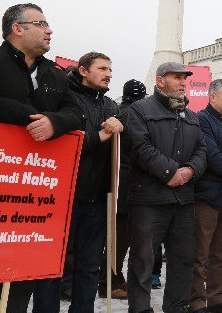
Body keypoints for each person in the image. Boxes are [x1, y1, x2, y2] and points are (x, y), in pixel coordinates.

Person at [0, 4, 82, 313]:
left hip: (30, 197)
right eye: (41, 23)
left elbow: (76, 112)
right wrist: (29, 118)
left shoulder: (54, 72)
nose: (49, 30)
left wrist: (55, 123)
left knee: (17, 278)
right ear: (18, 29)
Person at [37, 52, 124, 313]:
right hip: (63, 198)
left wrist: (120, 129)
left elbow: (120, 151)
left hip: (97, 199)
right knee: (53, 265)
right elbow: (60, 144)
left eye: (110, 68)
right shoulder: (66, 99)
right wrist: (101, 135)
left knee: (89, 266)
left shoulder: (111, 104)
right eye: (102, 68)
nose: (109, 73)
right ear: (84, 71)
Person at [127, 62, 207, 313]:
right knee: (143, 261)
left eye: (185, 78)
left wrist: (190, 171)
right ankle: (140, 309)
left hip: (183, 200)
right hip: (150, 200)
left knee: (183, 260)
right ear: (160, 81)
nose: (183, 82)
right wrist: (170, 172)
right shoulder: (140, 109)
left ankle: (177, 307)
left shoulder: (192, 116)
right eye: (176, 77)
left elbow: (202, 150)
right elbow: (140, 147)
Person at [190, 80, 222, 313]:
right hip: (206, 197)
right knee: (199, 255)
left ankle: (217, 298)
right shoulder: (202, 120)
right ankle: (197, 302)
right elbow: (212, 156)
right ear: (212, 97)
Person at [99, 79, 148, 299]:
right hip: (125, 183)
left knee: (118, 235)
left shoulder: (120, 112)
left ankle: (112, 278)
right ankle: (110, 280)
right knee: (119, 237)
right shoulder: (132, 115)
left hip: (119, 181)